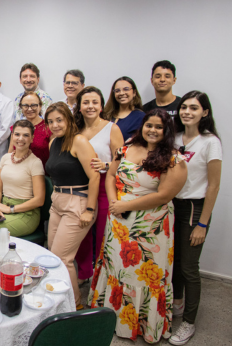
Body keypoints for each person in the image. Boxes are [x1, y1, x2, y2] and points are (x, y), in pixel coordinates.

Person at [88, 109, 187, 344]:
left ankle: (143, 325)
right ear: (142, 126)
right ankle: (110, 317)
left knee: (144, 275)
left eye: (158, 127)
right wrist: (115, 202)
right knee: (117, 268)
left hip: (150, 226)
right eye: (148, 125)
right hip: (119, 221)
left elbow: (164, 195)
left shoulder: (175, 160)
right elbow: (111, 175)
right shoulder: (126, 148)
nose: (152, 130)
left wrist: (126, 204)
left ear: (167, 131)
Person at [169, 91, 222, 345]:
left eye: (194, 107)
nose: (187, 111)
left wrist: (202, 223)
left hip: (195, 209)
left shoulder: (210, 142)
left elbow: (213, 186)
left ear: (205, 112)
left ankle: (188, 323)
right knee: (175, 261)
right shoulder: (175, 137)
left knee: (189, 267)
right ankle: (177, 304)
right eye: (184, 107)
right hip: (172, 205)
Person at [45, 102, 100, 310]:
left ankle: (75, 306)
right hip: (57, 201)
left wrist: (90, 209)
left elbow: (94, 177)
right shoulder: (54, 143)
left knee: (62, 258)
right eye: (50, 121)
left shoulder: (79, 141)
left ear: (68, 119)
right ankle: (59, 300)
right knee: (52, 254)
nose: (55, 125)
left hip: (78, 202)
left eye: (59, 120)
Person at [73, 86, 124, 286]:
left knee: (104, 232)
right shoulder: (76, 129)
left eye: (95, 102)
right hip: (80, 185)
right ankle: (84, 273)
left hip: (104, 185)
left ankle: (103, 278)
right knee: (81, 231)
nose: (90, 106)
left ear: (101, 106)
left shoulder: (112, 128)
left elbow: (123, 161)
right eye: (86, 102)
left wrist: (107, 165)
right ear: (79, 107)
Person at [0, 120, 45, 237]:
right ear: (12, 136)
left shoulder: (35, 163)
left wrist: (10, 209)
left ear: (32, 138)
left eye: (26, 135)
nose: (20, 138)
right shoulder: (6, 158)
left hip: (26, 214)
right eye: (17, 134)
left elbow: (39, 200)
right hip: (3, 206)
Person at [8, 91, 51, 169]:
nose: (29, 109)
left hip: (43, 175)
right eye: (25, 106)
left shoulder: (48, 127)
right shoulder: (16, 127)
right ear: (21, 107)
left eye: (34, 105)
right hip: (19, 172)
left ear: (40, 106)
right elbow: (10, 153)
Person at [103, 76, 145, 142]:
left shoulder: (140, 117)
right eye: (117, 90)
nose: (121, 93)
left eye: (126, 89)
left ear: (134, 92)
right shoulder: (106, 114)